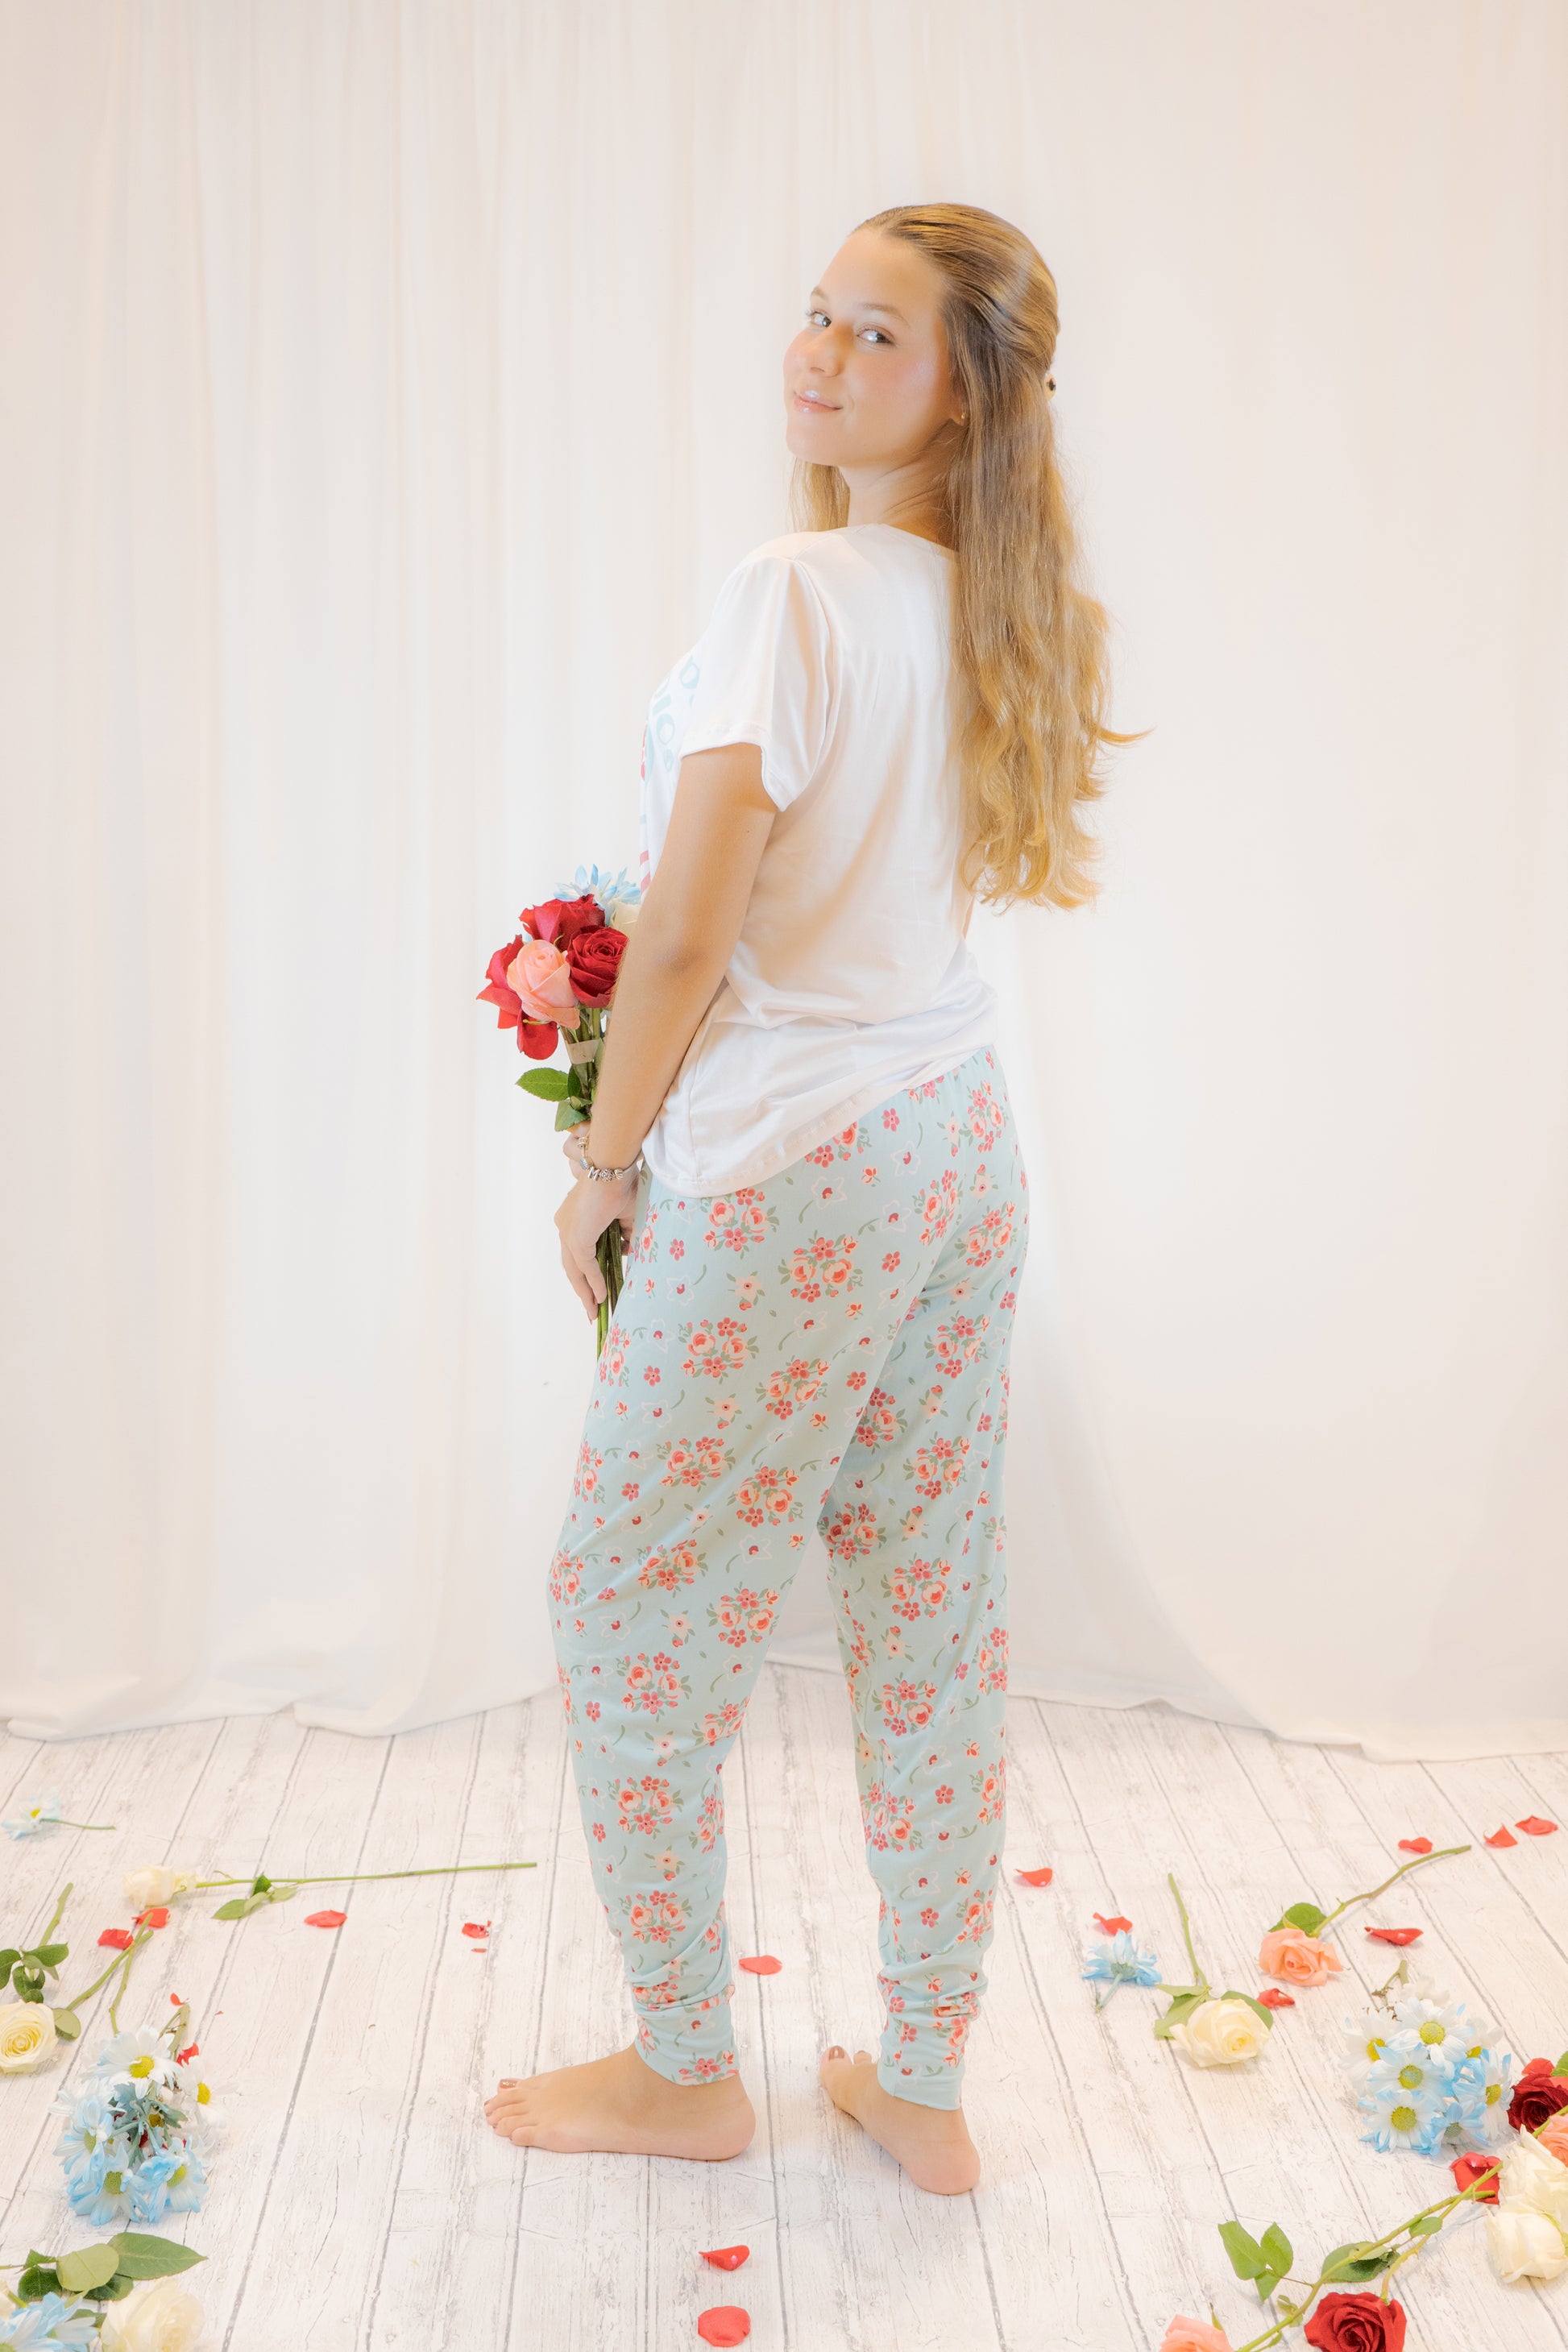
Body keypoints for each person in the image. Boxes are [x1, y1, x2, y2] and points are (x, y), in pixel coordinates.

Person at [484, 201, 1125, 2194]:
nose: (822, 353)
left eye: (877, 334)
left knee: (625, 1602)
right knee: (925, 1603)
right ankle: (917, 2075)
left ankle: (688, 2066)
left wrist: (605, 1165)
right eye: (819, 315)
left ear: (968, 395)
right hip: (952, 1139)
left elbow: (691, 932)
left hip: (789, 1167)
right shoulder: (992, 604)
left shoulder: (794, 589)